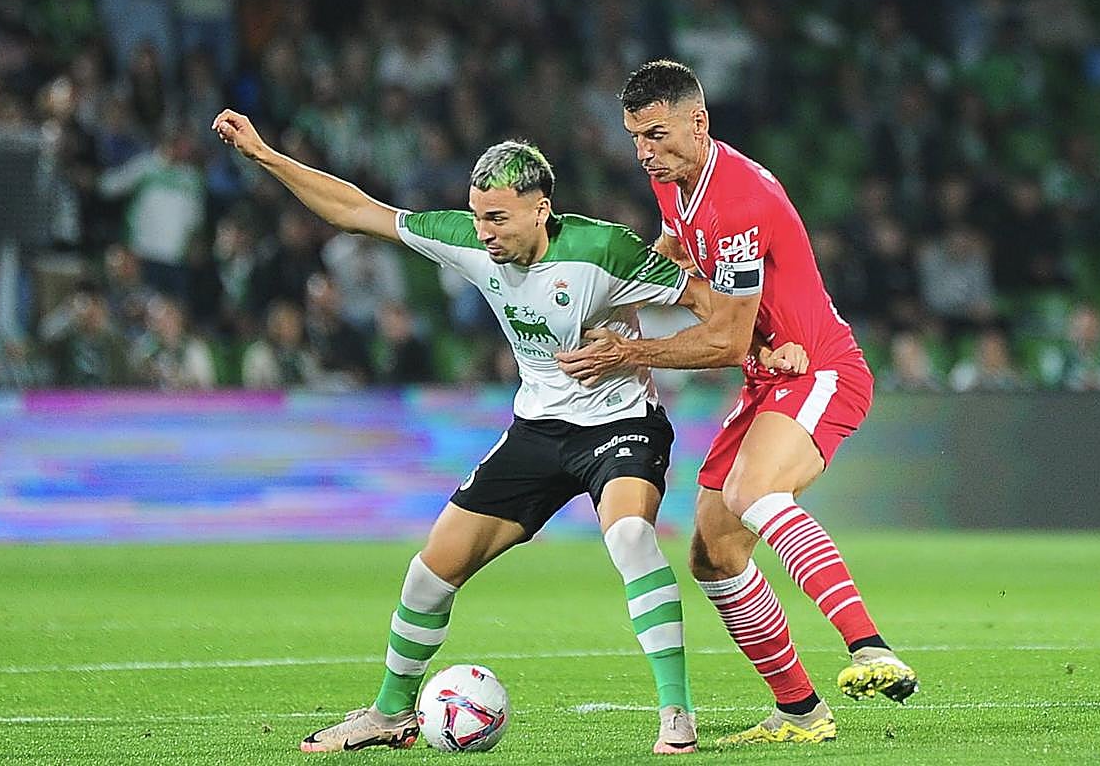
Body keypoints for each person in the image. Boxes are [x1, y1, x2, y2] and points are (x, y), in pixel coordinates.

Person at [212, 109, 802, 755]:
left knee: (632, 536)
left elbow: (714, 308)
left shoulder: (601, 250)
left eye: (497, 217)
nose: (484, 232)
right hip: (538, 430)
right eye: (476, 215)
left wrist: (760, 350)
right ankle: (390, 713)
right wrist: (265, 155)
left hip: (621, 425)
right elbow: (354, 209)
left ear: (540, 208)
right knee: (428, 574)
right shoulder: (466, 240)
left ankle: (675, 716)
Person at [557, 60, 918, 745]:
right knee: (714, 552)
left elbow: (722, 338)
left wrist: (628, 351)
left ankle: (867, 643)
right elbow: (673, 257)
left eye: (656, 135)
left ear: (699, 122)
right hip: (767, 378)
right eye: (635, 137)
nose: (644, 152)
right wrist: (620, 301)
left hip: (819, 371)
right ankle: (801, 711)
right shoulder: (676, 184)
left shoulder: (739, 199)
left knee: (752, 488)